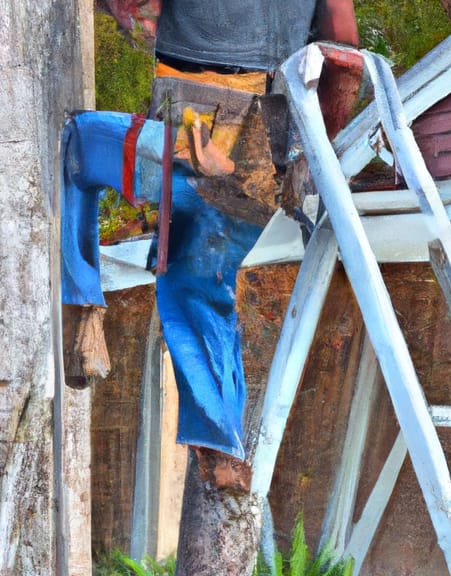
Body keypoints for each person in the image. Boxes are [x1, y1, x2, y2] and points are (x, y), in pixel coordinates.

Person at [64, 0, 362, 489]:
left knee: (79, 143)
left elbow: (139, 8)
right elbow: (344, 49)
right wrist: (315, 149)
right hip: (274, 132)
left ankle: (82, 305)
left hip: (196, 125)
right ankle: (222, 447)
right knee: (204, 286)